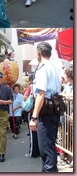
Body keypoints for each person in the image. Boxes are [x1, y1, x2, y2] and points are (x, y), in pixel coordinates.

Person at [29, 42, 62, 172]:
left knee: (46, 149)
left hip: (46, 111)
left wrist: (34, 116)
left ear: (38, 53)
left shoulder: (43, 68)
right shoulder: (54, 68)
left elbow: (41, 94)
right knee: (50, 146)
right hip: (54, 110)